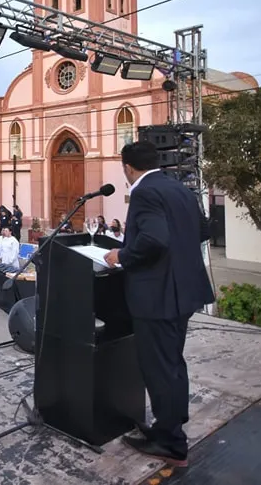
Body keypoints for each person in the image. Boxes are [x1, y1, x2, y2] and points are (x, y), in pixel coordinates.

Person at [103, 141, 213, 468]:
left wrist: (122, 255)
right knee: (172, 362)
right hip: (183, 292)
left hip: (157, 297)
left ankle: (171, 443)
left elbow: (153, 239)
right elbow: (203, 230)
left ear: (128, 167)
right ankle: (171, 423)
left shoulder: (145, 192)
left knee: (159, 368)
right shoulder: (179, 188)